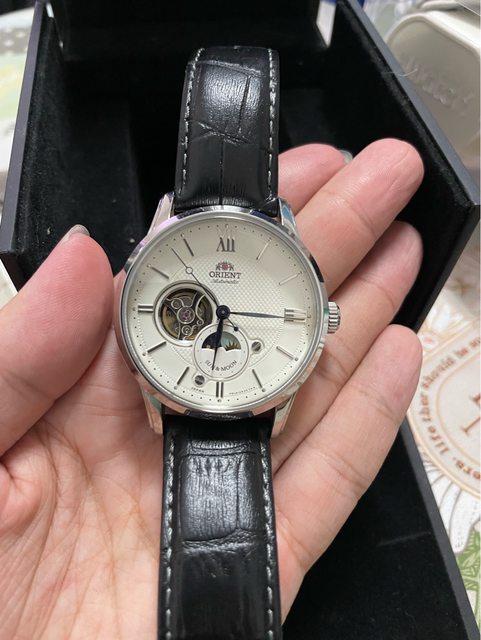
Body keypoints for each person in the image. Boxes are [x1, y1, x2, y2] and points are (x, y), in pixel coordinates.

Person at [0, 139, 424, 637]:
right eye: (215, 308)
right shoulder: (173, 232)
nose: (219, 312)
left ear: (324, 318)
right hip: (174, 393)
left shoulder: (284, 281)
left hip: (246, 394)